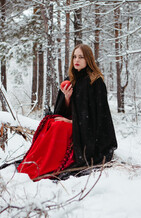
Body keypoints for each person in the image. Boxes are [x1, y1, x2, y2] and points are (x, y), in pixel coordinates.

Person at [17, 44, 117, 180]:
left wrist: (74, 122)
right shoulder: (70, 79)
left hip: (87, 131)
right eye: (74, 56)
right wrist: (67, 98)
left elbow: (98, 116)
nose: (77, 60)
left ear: (88, 59)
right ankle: (36, 162)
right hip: (74, 124)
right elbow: (62, 111)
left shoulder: (96, 81)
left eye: (81, 57)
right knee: (50, 122)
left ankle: (48, 165)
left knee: (59, 126)